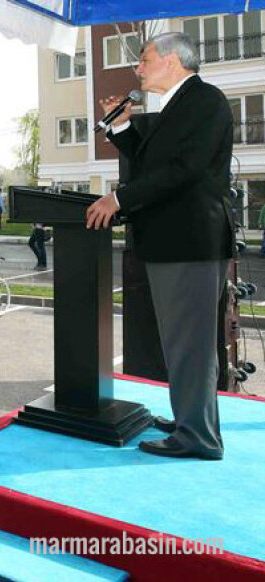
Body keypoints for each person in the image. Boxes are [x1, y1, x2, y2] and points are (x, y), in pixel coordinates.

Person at [87, 32, 234, 460]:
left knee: (190, 344)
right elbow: (152, 164)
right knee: (183, 342)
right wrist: (122, 128)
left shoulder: (205, 101)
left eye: (144, 59)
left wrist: (118, 199)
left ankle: (198, 438)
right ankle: (193, 419)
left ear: (172, 60)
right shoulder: (177, 106)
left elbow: (183, 170)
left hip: (190, 242)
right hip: (176, 242)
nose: (138, 67)